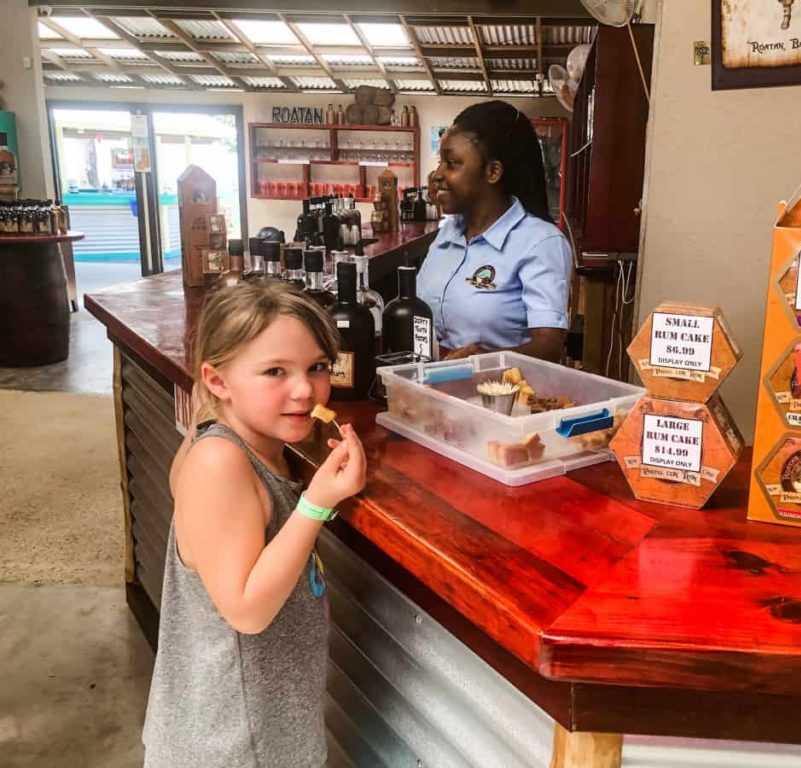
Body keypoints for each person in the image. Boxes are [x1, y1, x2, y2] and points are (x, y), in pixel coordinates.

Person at [142, 280, 366, 767]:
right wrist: (317, 503)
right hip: (233, 745)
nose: (305, 390)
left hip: (261, 728)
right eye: (274, 372)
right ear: (218, 381)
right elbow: (246, 611)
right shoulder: (219, 462)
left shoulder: (243, 442)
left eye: (318, 367)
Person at [417, 100, 573, 363]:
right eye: (440, 161)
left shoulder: (539, 242)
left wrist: (485, 361)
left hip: (497, 395)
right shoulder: (448, 234)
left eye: (452, 164)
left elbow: (550, 348)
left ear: (493, 172)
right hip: (432, 387)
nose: (437, 174)